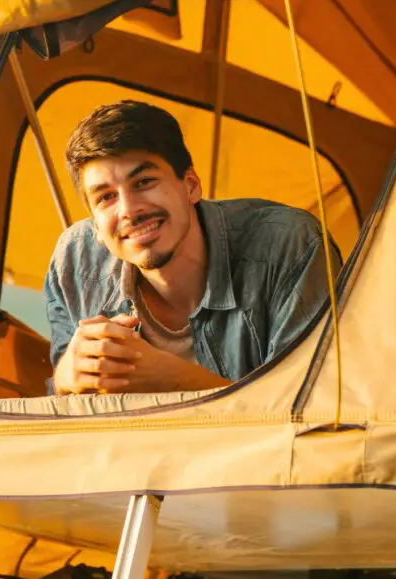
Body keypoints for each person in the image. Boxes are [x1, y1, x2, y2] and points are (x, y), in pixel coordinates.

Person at [45, 100, 341, 395]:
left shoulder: (289, 245)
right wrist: (64, 379)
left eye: (144, 181)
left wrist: (174, 380)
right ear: (95, 224)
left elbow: (313, 411)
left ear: (190, 185)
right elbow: (60, 412)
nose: (129, 211)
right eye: (106, 197)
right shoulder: (72, 262)